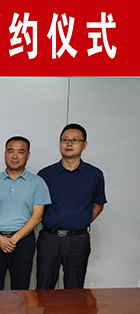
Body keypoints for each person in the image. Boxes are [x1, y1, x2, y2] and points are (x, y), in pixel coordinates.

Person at [36, 123, 106, 289]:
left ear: (84, 144)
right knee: (44, 287)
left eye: (75, 140)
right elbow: (37, 208)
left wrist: (80, 220)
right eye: (64, 140)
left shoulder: (94, 174)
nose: (69, 144)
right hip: (49, 239)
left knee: (75, 289)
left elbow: (98, 205)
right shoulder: (45, 174)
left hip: (78, 240)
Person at [0, 136, 51, 290]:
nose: (15, 156)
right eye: (10, 151)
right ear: (5, 154)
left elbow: (37, 216)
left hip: (23, 241)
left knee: (21, 290)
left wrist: (14, 239)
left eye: (20, 152)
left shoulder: (37, 182)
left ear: (28, 155)